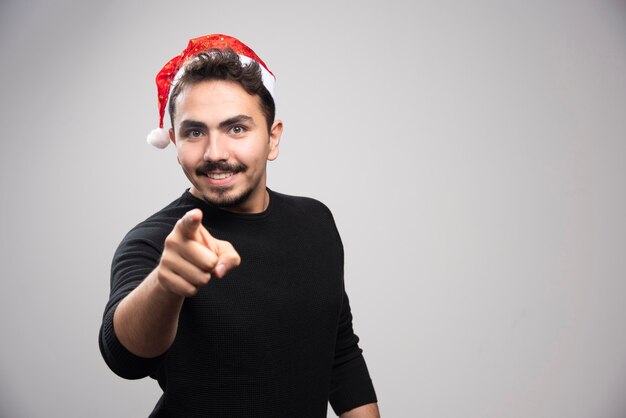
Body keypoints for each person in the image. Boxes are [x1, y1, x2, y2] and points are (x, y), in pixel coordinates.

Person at [99, 34, 379, 418]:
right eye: (194, 132)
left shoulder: (316, 222)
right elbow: (123, 357)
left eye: (236, 129)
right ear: (176, 143)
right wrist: (166, 282)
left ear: (272, 138)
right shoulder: (155, 242)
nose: (215, 153)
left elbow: (340, 351)